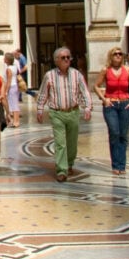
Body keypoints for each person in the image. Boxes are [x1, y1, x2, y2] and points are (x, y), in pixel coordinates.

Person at [36, 47, 93, 182]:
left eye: (68, 57)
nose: (67, 59)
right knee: (60, 143)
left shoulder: (76, 74)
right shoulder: (49, 76)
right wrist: (39, 109)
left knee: (72, 143)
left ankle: (70, 163)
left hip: (73, 111)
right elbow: (43, 93)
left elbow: (84, 91)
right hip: (57, 113)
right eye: (63, 58)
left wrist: (88, 108)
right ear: (56, 61)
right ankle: (62, 169)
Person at [94, 46, 129, 175]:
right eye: (115, 54)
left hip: (125, 104)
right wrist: (103, 99)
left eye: (120, 54)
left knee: (123, 135)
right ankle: (115, 164)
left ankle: (121, 165)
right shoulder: (105, 70)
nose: (118, 56)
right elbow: (96, 85)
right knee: (114, 132)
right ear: (110, 56)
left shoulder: (128, 71)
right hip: (111, 104)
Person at [3, 52, 21, 127]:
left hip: (12, 87)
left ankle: (16, 121)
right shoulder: (14, 67)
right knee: (14, 103)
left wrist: (6, 91)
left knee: (14, 105)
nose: (3, 59)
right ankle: (15, 121)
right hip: (15, 86)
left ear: (7, 60)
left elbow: (9, 81)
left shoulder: (9, 69)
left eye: (5, 58)